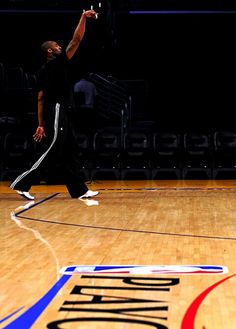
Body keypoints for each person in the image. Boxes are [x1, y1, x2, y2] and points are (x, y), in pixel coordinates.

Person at [10, 9, 99, 201]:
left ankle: (79, 190)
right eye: (57, 46)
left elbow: (40, 98)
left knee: (70, 150)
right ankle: (21, 183)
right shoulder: (55, 64)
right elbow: (76, 40)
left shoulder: (44, 70)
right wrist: (83, 17)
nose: (60, 47)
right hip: (57, 109)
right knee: (52, 149)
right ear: (50, 51)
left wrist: (41, 123)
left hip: (59, 110)